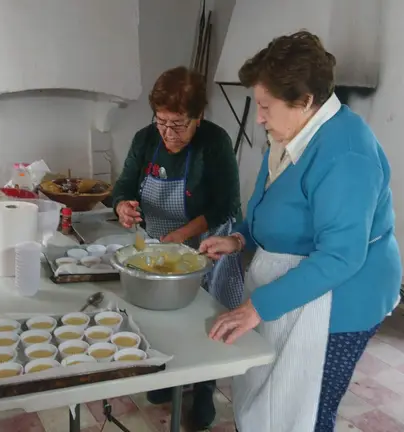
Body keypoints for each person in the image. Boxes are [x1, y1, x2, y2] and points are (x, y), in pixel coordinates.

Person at [200, 31, 402, 432]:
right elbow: (274, 205)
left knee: (305, 410)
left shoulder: (346, 154)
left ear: (305, 101)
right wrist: (241, 238)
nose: (258, 117)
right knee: (267, 392)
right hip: (293, 286)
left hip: (341, 301)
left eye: (264, 106)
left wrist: (257, 307)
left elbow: (342, 256)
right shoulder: (290, 132)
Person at [112, 66, 243, 429]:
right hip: (158, 242)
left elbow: (225, 204)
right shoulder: (144, 140)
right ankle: (168, 375)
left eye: (179, 124)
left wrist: (185, 234)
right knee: (163, 315)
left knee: (204, 320)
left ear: (198, 117)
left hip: (208, 244)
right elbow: (123, 185)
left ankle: (204, 387)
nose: (169, 133)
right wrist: (122, 205)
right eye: (162, 123)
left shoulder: (214, 143)